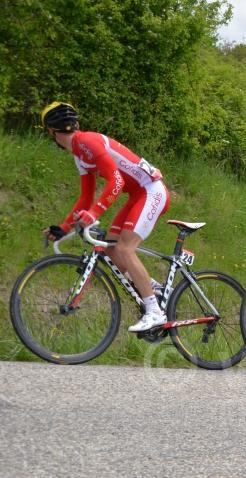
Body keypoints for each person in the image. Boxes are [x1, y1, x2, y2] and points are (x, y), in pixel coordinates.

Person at [40, 102, 171, 332]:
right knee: (112, 247)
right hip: (138, 193)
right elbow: (85, 198)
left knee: (125, 248)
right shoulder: (79, 154)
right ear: (75, 124)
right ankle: (153, 289)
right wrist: (63, 227)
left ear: (51, 132)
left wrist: (94, 213)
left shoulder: (88, 141)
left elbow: (117, 182)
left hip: (151, 190)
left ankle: (154, 312)